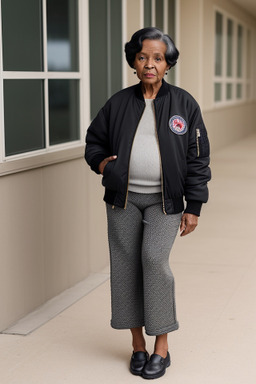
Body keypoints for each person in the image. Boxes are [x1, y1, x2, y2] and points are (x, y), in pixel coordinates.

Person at [85, 27, 211, 380]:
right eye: (143, 57)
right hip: (122, 200)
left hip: (165, 201)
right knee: (125, 267)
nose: (150, 64)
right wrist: (103, 165)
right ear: (134, 61)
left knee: (154, 261)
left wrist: (194, 205)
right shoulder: (119, 103)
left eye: (158, 58)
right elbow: (93, 143)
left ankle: (162, 346)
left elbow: (198, 159)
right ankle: (138, 345)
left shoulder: (184, 104)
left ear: (168, 63)